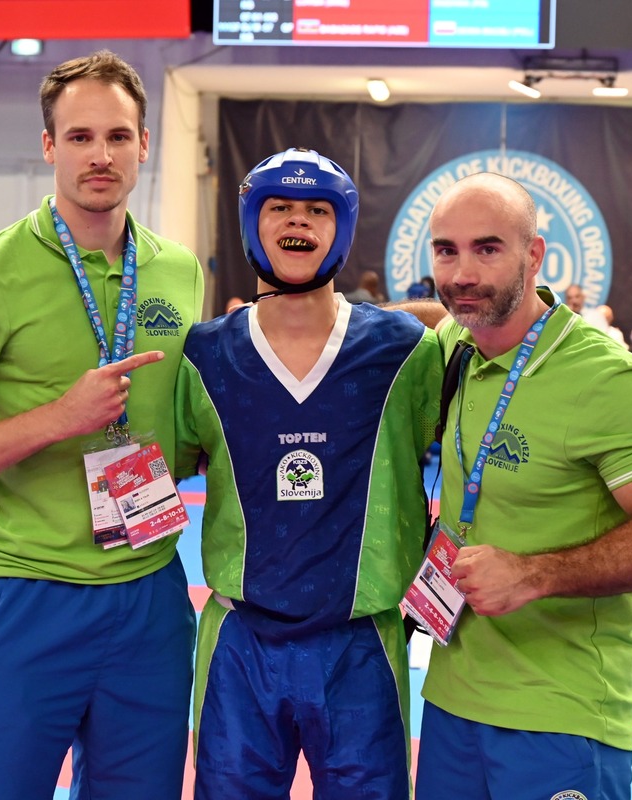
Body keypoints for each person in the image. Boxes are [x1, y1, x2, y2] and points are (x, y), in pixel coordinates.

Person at [0, 51, 204, 799]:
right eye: (80, 137)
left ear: (144, 144)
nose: (101, 155)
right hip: (28, 593)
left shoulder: (178, 270)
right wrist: (59, 418)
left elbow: (186, 429)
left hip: (151, 594)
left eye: (118, 136)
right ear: (48, 146)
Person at [417, 172, 632, 800]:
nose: (462, 273)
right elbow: (414, 319)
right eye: (446, 250)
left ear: (534, 255)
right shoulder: (457, 347)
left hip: (561, 711)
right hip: (450, 697)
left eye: (487, 248)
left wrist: (533, 574)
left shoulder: (605, 378)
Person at [175, 147, 441, 799]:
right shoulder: (203, 355)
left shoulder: (405, 351)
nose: (298, 221)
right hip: (240, 640)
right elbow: (167, 458)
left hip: (362, 642)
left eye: (318, 210)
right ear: (252, 223)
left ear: (341, 228)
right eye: (281, 207)